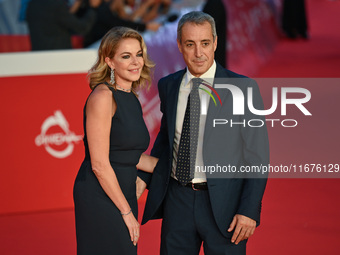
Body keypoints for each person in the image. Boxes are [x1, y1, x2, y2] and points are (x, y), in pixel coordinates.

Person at [137, 11, 269, 254]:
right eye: (190, 44)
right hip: (178, 201)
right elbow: (166, 141)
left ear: (215, 42)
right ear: (179, 45)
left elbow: (257, 157)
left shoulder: (243, 88)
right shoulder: (169, 85)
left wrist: (249, 211)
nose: (199, 53)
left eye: (205, 43)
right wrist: (143, 178)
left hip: (226, 206)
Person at [73, 26, 158, 255]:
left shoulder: (131, 97)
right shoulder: (103, 97)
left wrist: (175, 167)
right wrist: (126, 212)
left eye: (138, 54)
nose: (135, 62)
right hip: (100, 194)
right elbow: (99, 165)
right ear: (110, 61)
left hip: (122, 192)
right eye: (126, 56)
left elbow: (127, 155)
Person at [83, 0, 161, 47]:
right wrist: (145, 26)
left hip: (102, 44)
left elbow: (119, 22)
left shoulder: (101, 7)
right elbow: (117, 23)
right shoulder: (90, 8)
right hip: (95, 47)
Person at [25, 0, 98, 51]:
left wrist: (75, 6)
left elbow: (54, 22)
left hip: (38, 56)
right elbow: (82, 28)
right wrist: (93, 8)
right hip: (59, 57)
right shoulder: (56, 5)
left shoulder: (32, 4)